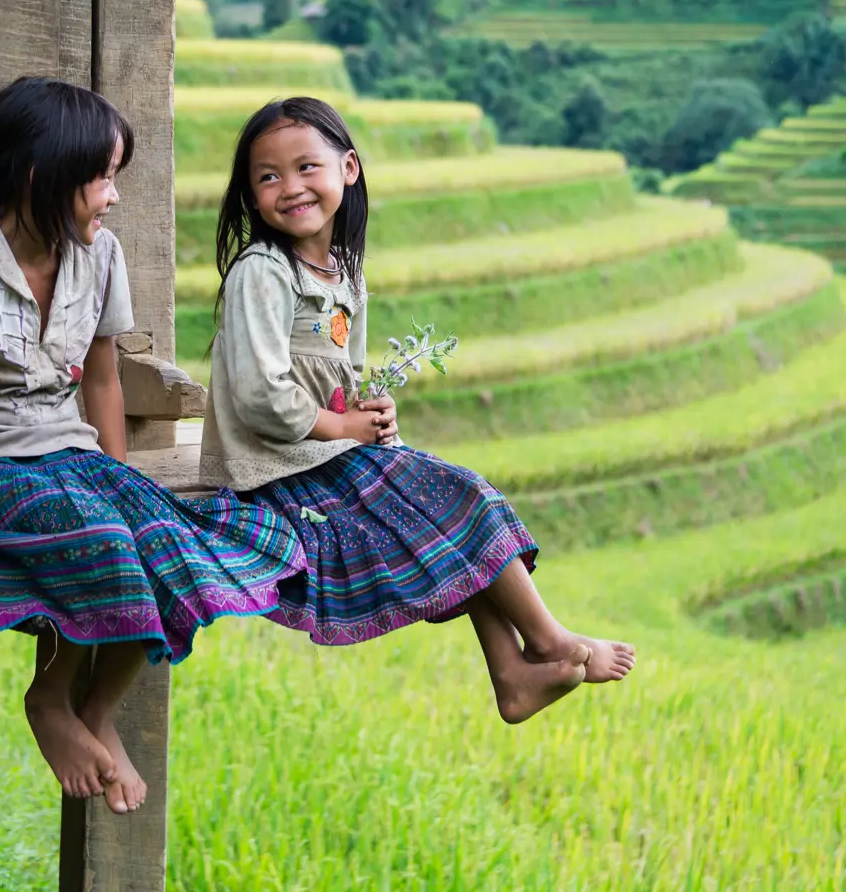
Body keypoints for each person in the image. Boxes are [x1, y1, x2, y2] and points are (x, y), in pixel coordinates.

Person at [0, 77, 304, 813]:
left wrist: (117, 473)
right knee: (103, 538)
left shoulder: (100, 257)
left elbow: (102, 379)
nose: (113, 195)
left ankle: (98, 709)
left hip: (68, 451)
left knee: (163, 536)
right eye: (102, 177)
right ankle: (49, 700)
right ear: (42, 179)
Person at [199, 96, 636, 724]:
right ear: (249, 194)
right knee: (459, 499)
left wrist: (370, 416)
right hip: (274, 471)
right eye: (268, 177)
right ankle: (546, 641)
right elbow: (259, 394)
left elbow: (343, 376)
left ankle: (512, 675)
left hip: (326, 452)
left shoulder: (343, 273)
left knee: (453, 510)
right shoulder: (262, 273)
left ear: (347, 169)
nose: (289, 188)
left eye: (305, 168)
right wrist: (343, 427)